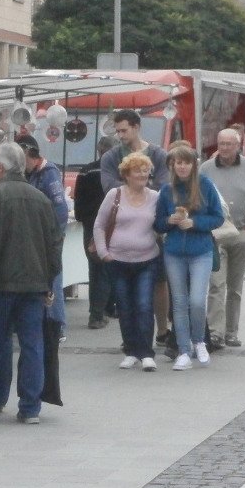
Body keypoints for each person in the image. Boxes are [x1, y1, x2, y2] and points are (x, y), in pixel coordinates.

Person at [0, 142, 63, 423]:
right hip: (34, 285)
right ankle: (30, 408)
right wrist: (49, 281)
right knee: (32, 345)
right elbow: (54, 244)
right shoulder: (41, 199)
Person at [100, 110, 171, 344]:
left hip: (154, 227)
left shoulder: (158, 155)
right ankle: (133, 336)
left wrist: (134, 186)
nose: (120, 136)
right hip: (124, 228)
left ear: (137, 127)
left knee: (159, 282)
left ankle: (162, 329)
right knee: (129, 290)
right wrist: (140, 186)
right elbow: (109, 186)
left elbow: (163, 187)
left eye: (124, 130)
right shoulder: (111, 157)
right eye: (117, 131)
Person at [155, 144, 224, 370]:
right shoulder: (167, 190)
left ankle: (199, 341)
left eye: (186, 162)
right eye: (178, 163)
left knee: (196, 300)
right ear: (173, 166)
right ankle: (183, 350)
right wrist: (169, 221)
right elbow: (158, 223)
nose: (182, 167)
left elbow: (218, 217)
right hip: (174, 252)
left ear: (193, 165)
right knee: (179, 302)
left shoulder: (205, 185)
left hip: (200, 251)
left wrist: (195, 222)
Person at [200, 128, 245, 348]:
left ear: (238, 146)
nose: (224, 148)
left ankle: (231, 332)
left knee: (235, 287)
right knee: (216, 285)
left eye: (229, 144)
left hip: (241, 233)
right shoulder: (206, 168)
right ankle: (215, 333)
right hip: (215, 235)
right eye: (221, 144)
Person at [94, 152, 161, 371]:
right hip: (117, 261)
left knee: (144, 305)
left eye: (145, 171)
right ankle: (131, 351)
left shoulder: (155, 196)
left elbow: (161, 225)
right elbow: (99, 225)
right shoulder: (114, 194)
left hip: (147, 260)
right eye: (137, 171)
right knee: (124, 307)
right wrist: (103, 253)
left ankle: (146, 353)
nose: (142, 175)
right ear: (126, 174)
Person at [16, 134, 69, 334]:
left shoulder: (48, 173)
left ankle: (56, 325)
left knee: (53, 277)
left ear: (29, 153)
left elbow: (60, 209)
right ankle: (41, 322)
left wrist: (53, 237)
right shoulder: (29, 173)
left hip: (48, 237)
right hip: (35, 236)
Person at [75, 136, 118, 329]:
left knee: (95, 268)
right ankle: (101, 312)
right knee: (108, 269)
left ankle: (98, 311)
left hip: (90, 224)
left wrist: (84, 219)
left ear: (99, 150)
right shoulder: (117, 172)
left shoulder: (86, 171)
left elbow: (78, 202)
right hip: (112, 225)